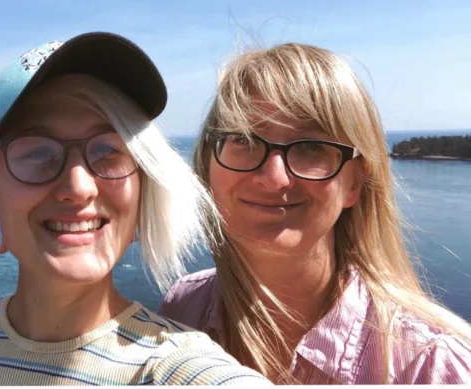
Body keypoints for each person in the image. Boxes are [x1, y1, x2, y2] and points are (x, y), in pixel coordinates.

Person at [0, 33, 270, 386]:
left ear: (140, 196)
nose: (78, 187)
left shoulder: (181, 372)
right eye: (36, 151)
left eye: (108, 151)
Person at [158, 42, 471, 384]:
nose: (273, 178)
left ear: (355, 183)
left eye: (310, 147)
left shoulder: (428, 367)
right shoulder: (183, 307)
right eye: (244, 139)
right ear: (208, 163)